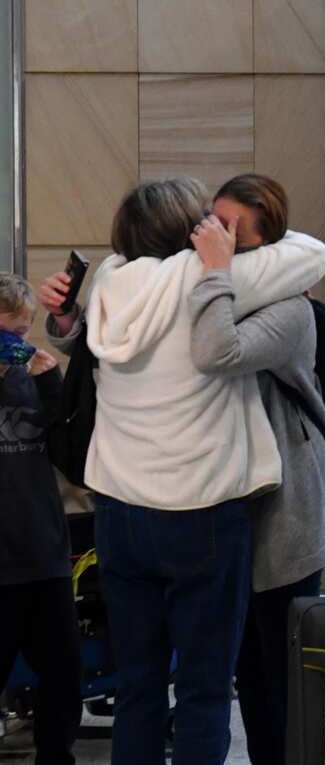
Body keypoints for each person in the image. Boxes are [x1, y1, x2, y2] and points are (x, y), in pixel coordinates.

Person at [40, 178, 325, 765]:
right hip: (203, 518)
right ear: (189, 232)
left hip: (119, 518)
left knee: (139, 688)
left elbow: (102, 351)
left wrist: (67, 315)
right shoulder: (211, 279)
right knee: (202, 692)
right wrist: (222, 251)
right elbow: (314, 254)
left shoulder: (110, 285)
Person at [187, 173, 325, 765]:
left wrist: (213, 273)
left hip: (285, 513)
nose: (213, 236)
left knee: (277, 677)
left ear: (265, 248)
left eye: (231, 230)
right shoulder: (212, 289)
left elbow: (218, 351)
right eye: (212, 220)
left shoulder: (289, 310)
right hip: (232, 507)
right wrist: (69, 324)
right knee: (248, 673)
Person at [0, 273, 81, 765]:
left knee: (64, 674)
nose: (17, 346)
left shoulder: (34, 376)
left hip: (43, 552)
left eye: (23, 334)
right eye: (7, 335)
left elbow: (72, 458)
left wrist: (52, 384)